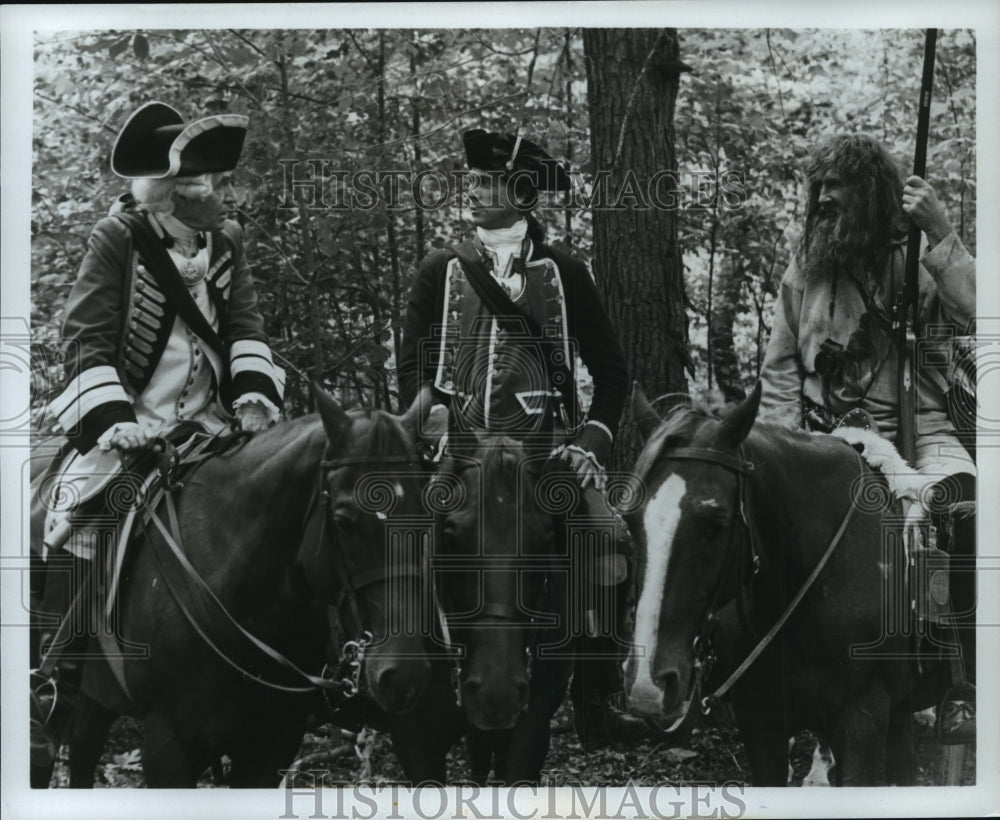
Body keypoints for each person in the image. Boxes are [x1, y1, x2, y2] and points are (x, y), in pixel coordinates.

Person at [31, 102, 285, 750]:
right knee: (79, 513)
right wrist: (116, 421)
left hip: (210, 423)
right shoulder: (117, 238)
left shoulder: (224, 245)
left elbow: (246, 328)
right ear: (174, 190)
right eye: (206, 183)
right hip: (131, 420)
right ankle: (57, 672)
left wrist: (254, 398)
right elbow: (85, 339)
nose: (219, 194)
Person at [398, 128, 648, 751]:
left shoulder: (565, 271)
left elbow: (612, 373)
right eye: (474, 181)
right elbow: (411, 369)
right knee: (396, 541)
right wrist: (427, 418)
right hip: (459, 454)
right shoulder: (442, 269)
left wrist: (591, 437)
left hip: (545, 458)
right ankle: (392, 687)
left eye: (490, 182)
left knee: (610, 543)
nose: (476, 192)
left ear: (524, 194)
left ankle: (596, 700)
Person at [758, 133, 976, 742]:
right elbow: (780, 370)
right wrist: (782, 442)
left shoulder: (919, 258)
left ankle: (962, 681)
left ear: (872, 195)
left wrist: (942, 234)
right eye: (818, 188)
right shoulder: (807, 265)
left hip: (921, 431)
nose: (824, 198)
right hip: (824, 435)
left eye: (838, 188)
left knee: (963, 508)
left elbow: (983, 312)